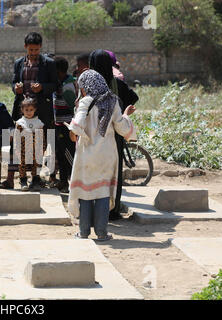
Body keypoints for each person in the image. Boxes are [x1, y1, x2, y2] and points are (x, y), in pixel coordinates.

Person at [67, 69, 137, 241]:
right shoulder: (113, 101)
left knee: (85, 192)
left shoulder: (85, 102)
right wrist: (127, 115)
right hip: (107, 155)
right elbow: (122, 128)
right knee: (103, 192)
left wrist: (77, 134)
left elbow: (76, 128)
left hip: (87, 155)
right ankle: (102, 232)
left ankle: (83, 232)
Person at [2, 31, 58, 189]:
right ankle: (19, 177)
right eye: (30, 50)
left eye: (36, 50)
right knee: (18, 146)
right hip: (22, 112)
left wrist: (43, 88)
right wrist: (16, 89)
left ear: (40, 47)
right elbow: (13, 83)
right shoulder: (19, 63)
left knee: (39, 146)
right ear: (25, 47)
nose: (33, 53)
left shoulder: (48, 63)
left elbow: (55, 85)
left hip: (40, 112)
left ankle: (36, 178)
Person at [89, 49, 139, 221]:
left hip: (93, 136)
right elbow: (134, 97)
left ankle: (93, 212)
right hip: (114, 136)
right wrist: (124, 113)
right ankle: (112, 210)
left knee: (93, 172)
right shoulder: (117, 84)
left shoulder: (88, 84)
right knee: (113, 173)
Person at [53, 57, 77, 193]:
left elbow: (73, 106)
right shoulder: (60, 83)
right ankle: (63, 182)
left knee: (68, 154)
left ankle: (73, 182)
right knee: (60, 154)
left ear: (58, 71)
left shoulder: (67, 86)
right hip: (59, 124)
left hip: (67, 125)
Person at [14, 98, 45, 191]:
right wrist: (17, 148)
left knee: (36, 164)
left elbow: (42, 136)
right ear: (22, 110)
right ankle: (23, 181)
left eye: (31, 110)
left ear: (35, 110)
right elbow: (16, 136)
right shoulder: (20, 123)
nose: (29, 112)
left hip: (36, 148)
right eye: (26, 110)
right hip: (23, 148)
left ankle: (35, 181)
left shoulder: (38, 123)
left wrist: (43, 147)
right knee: (22, 164)